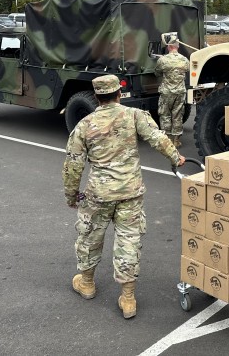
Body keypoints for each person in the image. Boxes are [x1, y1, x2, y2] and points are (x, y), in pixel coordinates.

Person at [63, 74, 185, 319]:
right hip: (130, 192)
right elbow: (157, 138)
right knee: (129, 241)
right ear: (119, 93)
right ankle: (128, 298)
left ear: (97, 97)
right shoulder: (134, 116)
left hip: (98, 194)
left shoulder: (85, 125)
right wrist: (176, 158)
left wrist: (71, 195)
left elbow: (73, 165)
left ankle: (86, 283)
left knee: (90, 236)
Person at [154, 35, 190, 147]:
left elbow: (157, 73)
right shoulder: (184, 60)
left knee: (165, 115)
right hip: (180, 92)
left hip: (167, 92)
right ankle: (177, 140)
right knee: (178, 115)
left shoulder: (162, 60)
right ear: (177, 46)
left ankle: (168, 140)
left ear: (169, 46)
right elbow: (187, 70)